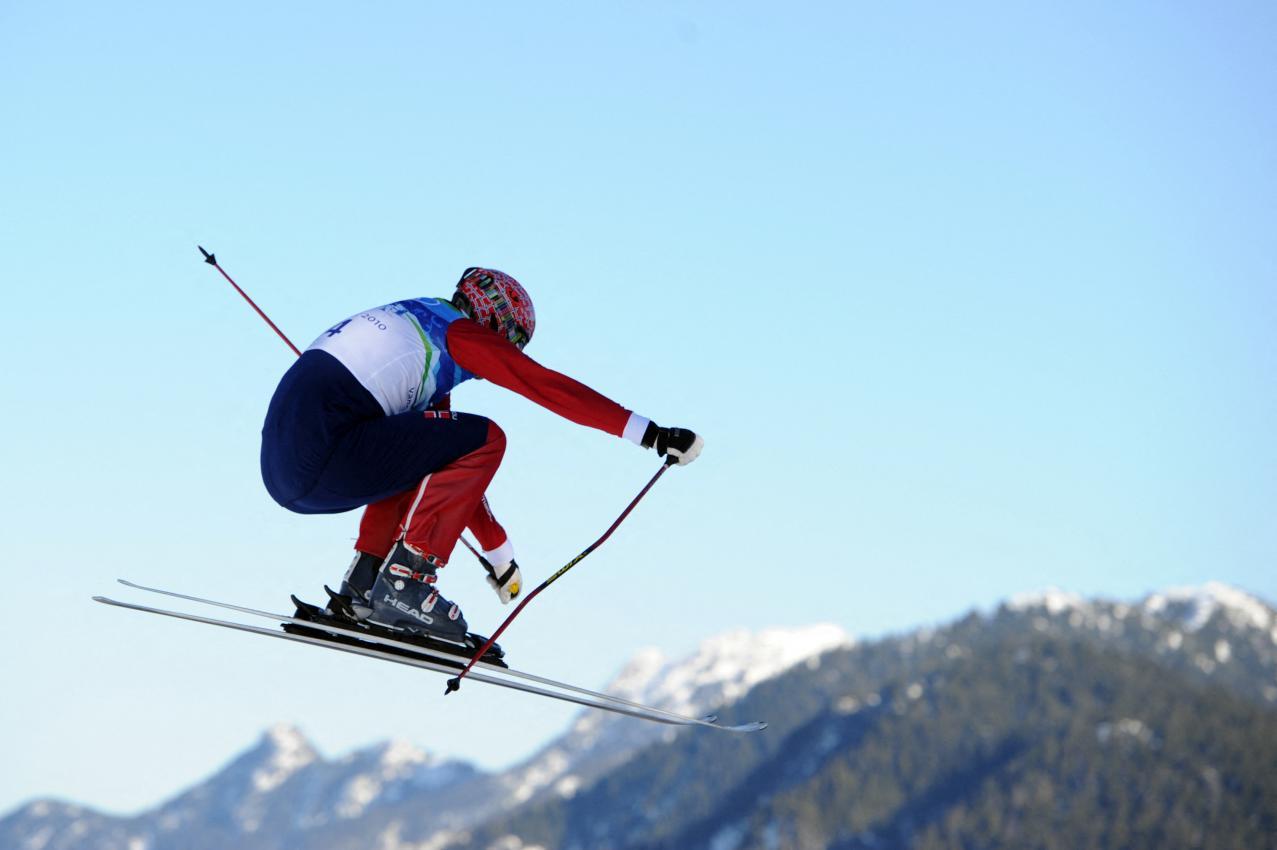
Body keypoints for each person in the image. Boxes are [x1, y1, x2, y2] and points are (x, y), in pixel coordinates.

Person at [259, 267, 702, 644]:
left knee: (429, 449)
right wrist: (651, 433)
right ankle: (405, 586)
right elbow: (543, 385)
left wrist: (500, 556)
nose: (507, 353)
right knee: (489, 437)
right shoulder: (459, 333)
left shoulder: (417, 319)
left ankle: (365, 585)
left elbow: (447, 471)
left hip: (286, 465)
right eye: (511, 342)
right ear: (495, 322)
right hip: (323, 457)